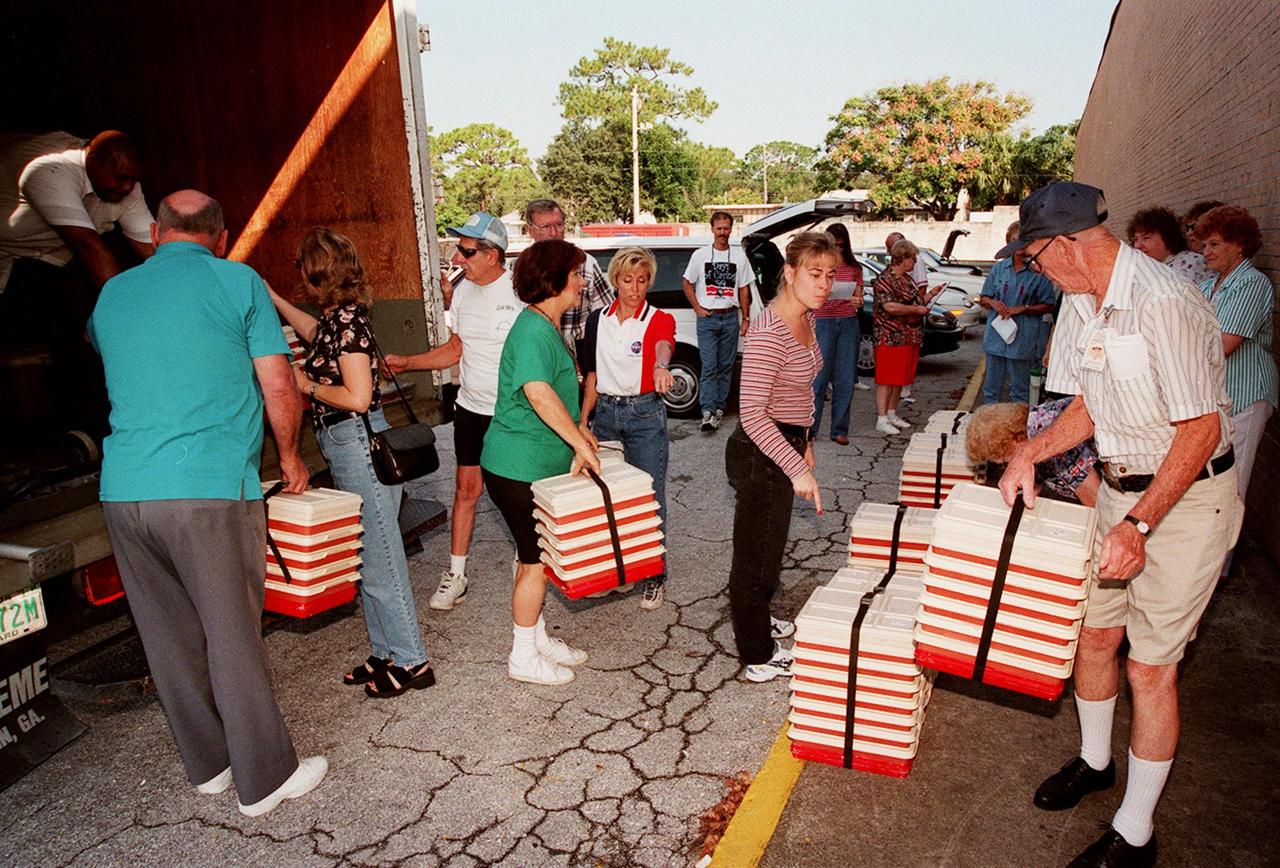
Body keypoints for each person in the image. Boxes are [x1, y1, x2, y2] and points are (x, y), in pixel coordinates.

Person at [998, 182, 1241, 868]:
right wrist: (1029, 452)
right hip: (1121, 492)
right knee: (1095, 635)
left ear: (1067, 244)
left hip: (1186, 500)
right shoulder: (1080, 299)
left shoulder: (1166, 300)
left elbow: (1200, 429)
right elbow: (1089, 402)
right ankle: (1095, 761)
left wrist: (1137, 524)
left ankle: (1137, 832)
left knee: (1150, 669)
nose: (1036, 270)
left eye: (1037, 257)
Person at [87, 190, 326, 817]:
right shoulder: (236, 280)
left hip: (124, 489)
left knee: (167, 637)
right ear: (220, 237)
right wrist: (292, 457)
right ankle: (267, 778)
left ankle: (211, 766)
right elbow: (278, 380)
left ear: (158, 231)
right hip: (208, 486)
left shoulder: (113, 293)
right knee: (231, 633)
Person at [268, 227, 434, 698]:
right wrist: (275, 298)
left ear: (316, 271)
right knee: (367, 558)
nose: (297, 272)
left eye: (301, 265)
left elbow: (360, 398)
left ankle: (413, 661)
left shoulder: (348, 323)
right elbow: (317, 336)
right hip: (344, 444)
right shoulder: (339, 317)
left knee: (381, 560)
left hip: (357, 442)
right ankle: (385, 651)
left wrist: (305, 386)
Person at [383, 212, 519, 612]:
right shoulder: (461, 292)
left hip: (510, 414)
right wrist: (407, 363)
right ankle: (456, 575)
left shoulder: (519, 292)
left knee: (514, 493)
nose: (458, 257)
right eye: (459, 248)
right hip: (471, 410)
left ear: (493, 254)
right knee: (465, 491)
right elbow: (456, 349)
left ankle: (526, 561)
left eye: (467, 250)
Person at [480, 239, 599, 686]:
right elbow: (537, 391)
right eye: (577, 274)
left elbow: (555, 395)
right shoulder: (532, 330)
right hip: (517, 468)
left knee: (532, 557)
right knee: (537, 562)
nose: (583, 282)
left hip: (528, 466)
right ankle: (523, 656)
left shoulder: (544, 323)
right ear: (556, 280)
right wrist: (579, 442)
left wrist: (578, 431)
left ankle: (537, 638)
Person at [725, 232, 832, 683]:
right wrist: (796, 469)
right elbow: (752, 413)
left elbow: (799, 393)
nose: (824, 284)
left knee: (770, 550)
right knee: (755, 557)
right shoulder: (770, 331)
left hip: (786, 441)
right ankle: (758, 655)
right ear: (789, 273)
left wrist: (805, 441)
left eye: (830, 275)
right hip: (761, 451)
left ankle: (759, 617)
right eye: (814, 273)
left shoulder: (805, 319)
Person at [0, 130, 155, 441]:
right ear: (91, 158)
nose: (127, 187)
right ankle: (78, 429)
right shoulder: (50, 169)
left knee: (87, 324)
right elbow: (89, 247)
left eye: (132, 180)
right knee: (84, 321)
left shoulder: (126, 187)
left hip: (54, 258)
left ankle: (94, 427)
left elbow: (154, 249)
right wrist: (126, 317)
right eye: (120, 177)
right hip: (9, 258)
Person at [577, 246, 677, 610]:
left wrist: (659, 367)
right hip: (604, 413)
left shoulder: (658, 318)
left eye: (642, 280)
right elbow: (591, 375)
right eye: (627, 280)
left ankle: (654, 575)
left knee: (649, 498)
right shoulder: (595, 320)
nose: (634, 289)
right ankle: (616, 572)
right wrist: (582, 421)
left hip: (644, 414)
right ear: (615, 280)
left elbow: (664, 346)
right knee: (609, 498)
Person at [1195, 205, 1276, 499]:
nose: (1206, 251)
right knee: (1208, 482)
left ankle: (1225, 546)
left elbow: (1223, 344)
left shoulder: (1251, 283)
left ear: (1239, 244)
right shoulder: (1205, 286)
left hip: (1244, 394)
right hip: (1217, 397)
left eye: (1215, 244)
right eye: (1204, 245)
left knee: (1232, 483)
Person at [683, 210, 756, 432]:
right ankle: (707, 410)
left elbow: (744, 289)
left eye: (726, 228)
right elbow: (687, 282)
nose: (722, 232)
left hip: (730, 316)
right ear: (712, 229)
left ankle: (720, 408)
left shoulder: (739, 257)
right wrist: (697, 307)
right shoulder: (700, 255)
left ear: (731, 229)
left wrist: (745, 317)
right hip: (708, 318)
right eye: (719, 228)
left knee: (726, 366)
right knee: (709, 366)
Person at [965, 399, 1100, 506]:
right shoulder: (1034, 422)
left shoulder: (1051, 443)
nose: (1000, 462)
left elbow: (1095, 499)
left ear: (1011, 442)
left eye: (998, 456)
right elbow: (1034, 483)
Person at [979, 222, 1057, 404]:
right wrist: (993, 302)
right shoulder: (999, 269)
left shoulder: (1038, 272)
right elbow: (983, 297)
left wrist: (1024, 308)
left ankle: (1018, 428)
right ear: (1009, 243)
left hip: (1022, 339)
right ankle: (990, 427)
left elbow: (1049, 305)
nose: (1020, 246)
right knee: (991, 389)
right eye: (1015, 240)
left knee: (1019, 391)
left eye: (1024, 241)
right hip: (996, 337)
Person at [522, 198, 615, 347]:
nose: (554, 233)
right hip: (536, 346)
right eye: (545, 226)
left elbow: (607, 315)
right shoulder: (522, 267)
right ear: (529, 230)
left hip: (579, 350)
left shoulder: (585, 264)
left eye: (558, 225)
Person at [871, 239, 941, 435]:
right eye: (913, 258)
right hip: (890, 336)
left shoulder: (906, 279)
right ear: (902, 258)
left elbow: (916, 301)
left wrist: (931, 295)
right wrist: (916, 308)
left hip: (908, 336)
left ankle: (892, 413)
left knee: (898, 379)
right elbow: (890, 306)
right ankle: (882, 418)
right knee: (886, 379)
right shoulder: (885, 280)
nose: (914, 262)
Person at [810, 223, 863, 444]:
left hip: (848, 321)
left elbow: (859, 296)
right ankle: (810, 429)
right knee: (818, 378)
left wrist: (856, 299)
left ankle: (840, 429)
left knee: (845, 377)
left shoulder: (854, 267)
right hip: (824, 321)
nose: (838, 250)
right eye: (835, 245)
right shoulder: (819, 266)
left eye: (842, 246)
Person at [884, 232, 930, 404]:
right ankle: (888, 410)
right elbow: (889, 305)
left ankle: (900, 396)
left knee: (907, 362)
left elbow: (921, 291)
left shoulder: (912, 270)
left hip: (910, 323)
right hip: (895, 328)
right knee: (893, 371)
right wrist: (915, 309)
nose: (889, 252)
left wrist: (919, 307)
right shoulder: (889, 277)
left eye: (891, 248)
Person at [1125, 206, 1214, 286]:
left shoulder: (1191, 263)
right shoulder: (1149, 267)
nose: (1138, 246)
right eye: (1136, 239)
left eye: (1146, 238)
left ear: (1167, 237)